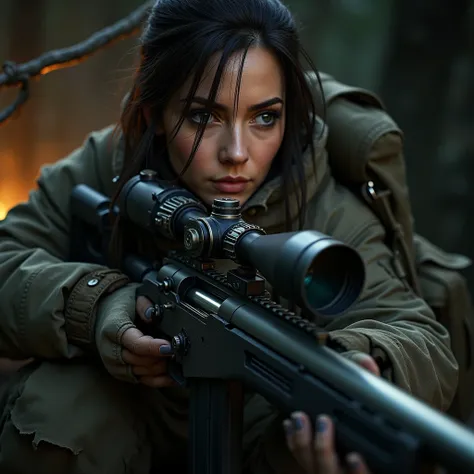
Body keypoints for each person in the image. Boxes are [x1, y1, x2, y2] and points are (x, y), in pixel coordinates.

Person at [0, 0, 458, 473]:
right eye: (203, 116)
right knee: (57, 407)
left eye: (265, 118)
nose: (237, 153)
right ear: (155, 112)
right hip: (130, 410)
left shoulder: (326, 207)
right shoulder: (109, 166)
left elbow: (419, 337)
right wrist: (95, 306)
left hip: (255, 427)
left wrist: (356, 361)